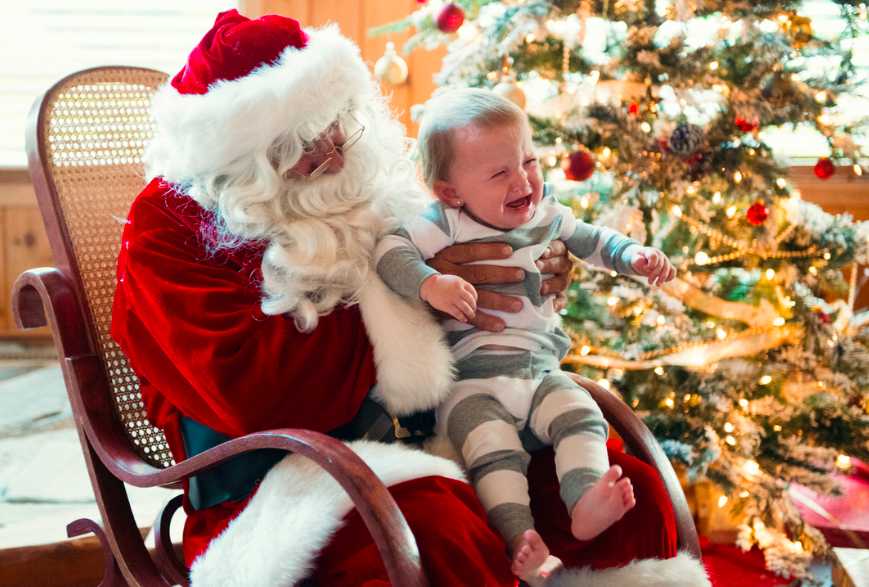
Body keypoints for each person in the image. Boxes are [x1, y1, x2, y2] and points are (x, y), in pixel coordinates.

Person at [111, 9, 706, 586]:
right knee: (439, 531)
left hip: (452, 425)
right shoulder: (170, 227)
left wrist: (528, 269)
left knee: (634, 495)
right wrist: (410, 294)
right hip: (282, 480)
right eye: (305, 146)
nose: (338, 153)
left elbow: (485, 259)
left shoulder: (366, 182)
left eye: (340, 122)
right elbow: (250, 394)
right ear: (245, 158)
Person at [375, 88, 676, 583]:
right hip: (473, 382)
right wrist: (431, 283)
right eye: (500, 173)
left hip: (540, 374)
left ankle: (584, 503)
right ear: (451, 191)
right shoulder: (443, 224)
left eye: (529, 161)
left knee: (581, 414)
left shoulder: (547, 216)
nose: (524, 181)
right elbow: (390, 253)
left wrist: (635, 257)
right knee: (492, 449)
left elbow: (598, 241)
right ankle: (522, 540)